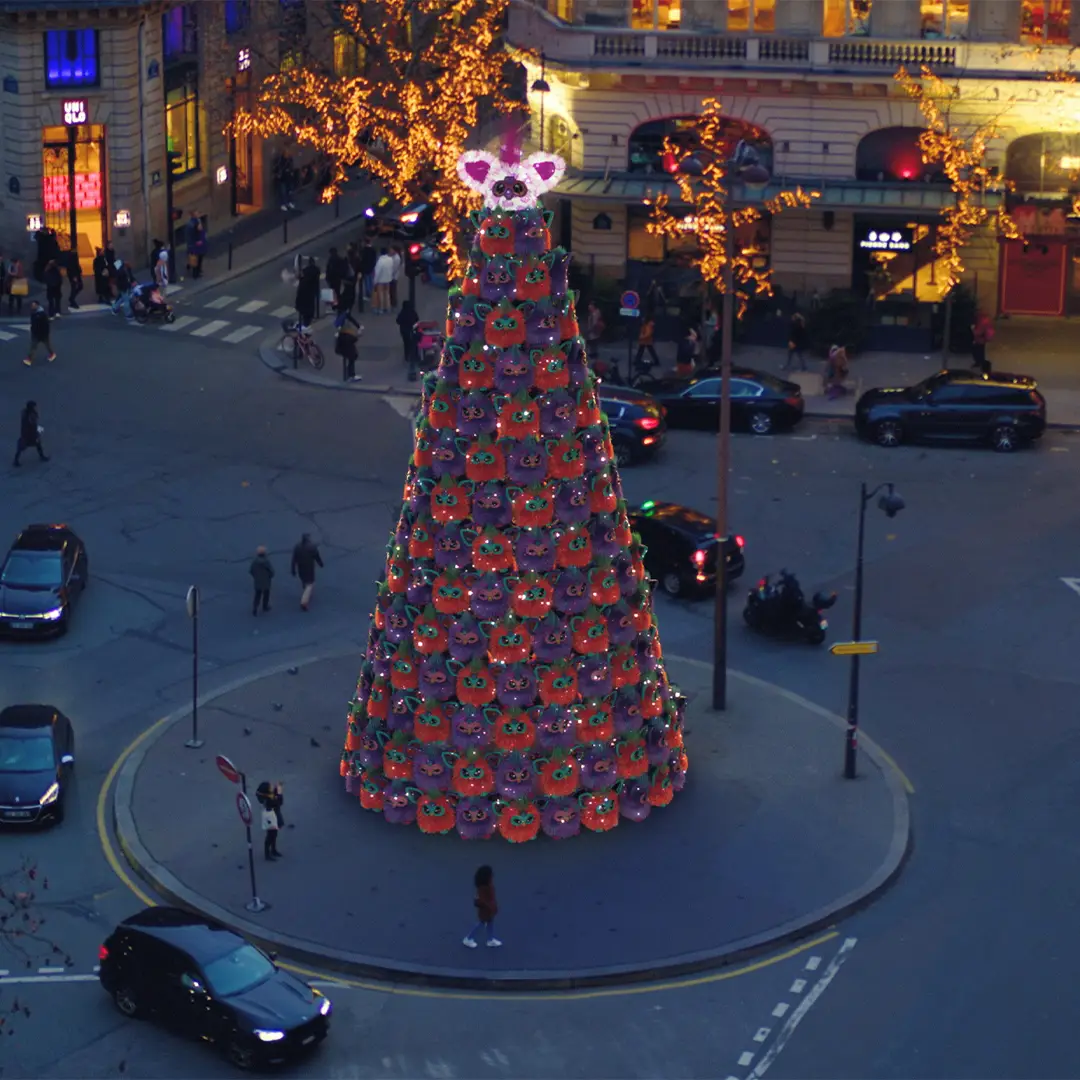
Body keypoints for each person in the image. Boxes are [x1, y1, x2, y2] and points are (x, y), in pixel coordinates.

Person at [463, 865, 501, 948]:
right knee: (481, 923)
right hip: (485, 910)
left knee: (490, 923)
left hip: (490, 909)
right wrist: (490, 907)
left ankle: (490, 939)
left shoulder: (489, 885)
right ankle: (468, 938)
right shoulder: (483, 888)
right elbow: (481, 900)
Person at [290, 533, 324, 611]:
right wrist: (320, 564)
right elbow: (317, 557)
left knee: (304, 580)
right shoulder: (312, 547)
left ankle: (305, 589)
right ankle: (304, 602)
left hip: (300, 568)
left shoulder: (297, 547)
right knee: (310, 584)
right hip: (309, 568)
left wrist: (293, 570)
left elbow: (294, 560)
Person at [13, 400, 48, 467]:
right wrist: (40, 430)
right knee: (26, 446)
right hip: (29, 435)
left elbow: (33, 425)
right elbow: (33, 425)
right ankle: (16, 461)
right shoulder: (30, 415)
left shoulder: (26, 414)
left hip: (27, 434)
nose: (35, 408)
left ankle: (16, 460)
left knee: (36, 444)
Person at [334, 307, 362, 381]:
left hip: (343, 344)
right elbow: (352, 339)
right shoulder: (346, 330)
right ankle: (351, 375)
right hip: (347, 345)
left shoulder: (342, 324)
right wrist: (358, 334)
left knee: (351, 357)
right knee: (351, 357)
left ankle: (349, 374)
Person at [24, 301, 55, 367]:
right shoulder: (34, 313)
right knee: (34, 346)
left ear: (37, 306)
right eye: (32, 305)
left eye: (34, 305)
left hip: (41, 334)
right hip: (37, 334)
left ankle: (30, 359)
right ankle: (29, 359)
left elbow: (45, 326)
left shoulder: (42, 315)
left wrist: (44, 334)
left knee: (44, 346)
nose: (32, 306)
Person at [294, 258, 319, 331]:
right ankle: (307, 322)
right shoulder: (316, 270)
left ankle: (305, 324)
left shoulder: (305, 275)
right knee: (309, 307)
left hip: (304, 296)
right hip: (311, 293)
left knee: (305, 310)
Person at [249, 545, 274, 616]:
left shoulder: (254, 562)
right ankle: (265, 606)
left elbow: (251, 571)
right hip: (266, 581)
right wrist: (270, 576)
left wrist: (255, 576)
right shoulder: (267, 562)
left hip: (257, 581)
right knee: (266, 594)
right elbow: (272, 571)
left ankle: (255, 607)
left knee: (257, 594)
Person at [372, 247, 394, 314]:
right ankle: (388, 307)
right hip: (388, 279)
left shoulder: (380, 261)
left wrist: (375, 281)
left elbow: (377, 272)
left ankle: (381, 308)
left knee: (380, 294)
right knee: (387, 294)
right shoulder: (390, 259)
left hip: (380, 280)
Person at [971, 310, 994, 375]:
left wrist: (973, 330)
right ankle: (980, 363)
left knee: (977, 350)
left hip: (980, 339)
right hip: (982, 339)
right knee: (981, 350)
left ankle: (980, 363)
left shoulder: (982, 322)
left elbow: (979, 332)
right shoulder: (985, 320)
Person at [185, 212, 207, 279]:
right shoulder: (193, 224)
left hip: (195, 245)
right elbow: (196, 233)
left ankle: (195, 270)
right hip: (196, 246)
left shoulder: (194, 221)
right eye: (197, 213)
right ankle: (196, 273)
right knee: (196, 259)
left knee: (195, 258)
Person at [389, 245, 403, 310]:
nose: (390, 251)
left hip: (393, 277)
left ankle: (393, 304)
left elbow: (394, 268)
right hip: (393, 276)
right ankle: (392, 303)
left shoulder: (397, 258)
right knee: (392, 290)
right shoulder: (394, 257)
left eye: (391, 250)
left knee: (393, 290)